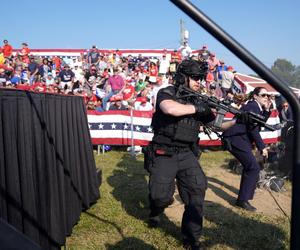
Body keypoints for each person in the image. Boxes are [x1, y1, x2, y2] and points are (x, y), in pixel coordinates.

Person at [144, 59, 237, 249]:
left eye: (200, 78)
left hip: (187, 153)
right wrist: (197, 108)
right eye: (195, 78)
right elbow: (170, 109)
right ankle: (156, 209)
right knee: (160, 196)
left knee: (196, 192)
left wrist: (238, 120)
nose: (198, 82)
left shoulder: (199, 99)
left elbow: (215, 125)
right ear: (182, 77)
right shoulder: (167, 92)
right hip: (164, 152)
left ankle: (192, 239)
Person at [222, 87, 271, 212]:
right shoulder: (252, 106)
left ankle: (243, 197)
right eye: (263, 94)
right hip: (236, 138)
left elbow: (259, 123)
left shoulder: (255, 107)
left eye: (268, 95)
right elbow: (253, 129)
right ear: (255, 96)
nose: (266, 97)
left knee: (251, 166)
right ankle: (242, 200)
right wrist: (262, 147)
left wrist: (266, 110)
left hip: (240, 139)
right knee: (253, 167)